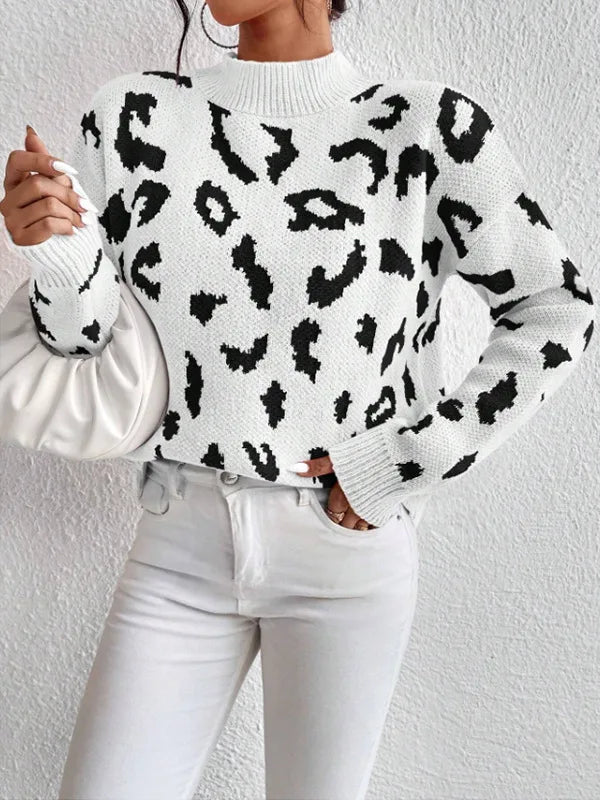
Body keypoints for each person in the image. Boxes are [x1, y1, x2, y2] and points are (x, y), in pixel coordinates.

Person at [0, 0, 595, 798]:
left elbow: (556, 307)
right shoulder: (134, 116)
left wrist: (404, 460)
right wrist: (59, 257)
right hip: (179, 541)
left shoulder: (424, 129)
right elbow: (82, 344)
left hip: (341, 551)